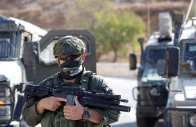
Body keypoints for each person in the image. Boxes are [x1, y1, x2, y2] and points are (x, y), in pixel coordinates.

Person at [22, 35, 120, 127]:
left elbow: (115, 114)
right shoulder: (48, 84)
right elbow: (27, 119)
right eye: (64, 58)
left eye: (74, 57)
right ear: (57, 60)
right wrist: (41, 104)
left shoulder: (95, 83)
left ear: (83, 57)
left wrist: (85, 113)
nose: (69, 60)